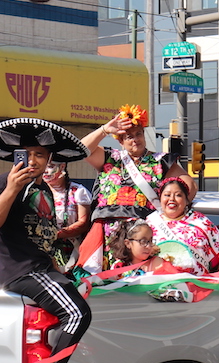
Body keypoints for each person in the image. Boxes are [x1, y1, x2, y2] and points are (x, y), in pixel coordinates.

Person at [0, 117, 92, 363]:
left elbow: (43, 239)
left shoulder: (44, 190)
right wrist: (12, 188)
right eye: (26, 153)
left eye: (39, 155)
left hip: (42, 267)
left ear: (49, 160)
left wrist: (63, 271)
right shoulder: (5, 182)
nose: (32, 160)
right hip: (20, 272)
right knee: (78, 313)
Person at [78, 104, 195, 271]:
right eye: (129, 136)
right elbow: (82, 149)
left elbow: (189, 187)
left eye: (138, 134)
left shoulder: (160, 161)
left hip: (143, 237)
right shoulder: (110, 158)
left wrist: (171, 216)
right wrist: (105, 130)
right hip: (108, 236)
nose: (135, 139)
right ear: (120, 140)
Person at [146, 176, 219, 276]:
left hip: (196, 288)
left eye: (178, 195)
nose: (171, 199)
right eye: (167, 195)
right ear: (160, 198)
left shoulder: (202, 223)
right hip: (156, 286)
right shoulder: (150, 223)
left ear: (187, 200)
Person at [42, 163, 93, 271]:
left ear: (62, 166)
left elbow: (83, 223)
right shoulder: (36, 192)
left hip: (73, 251)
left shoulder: (77, 191)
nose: (45, 171)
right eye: (44, 166)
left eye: (50, 166)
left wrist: (56, 234)